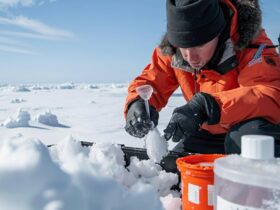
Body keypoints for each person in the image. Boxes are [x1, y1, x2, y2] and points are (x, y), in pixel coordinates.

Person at [124, 0, 280, 156]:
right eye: (183, 47)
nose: (190, 57)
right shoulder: (173, 48)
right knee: (175, 167)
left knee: (246, 139)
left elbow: (270, 94)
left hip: (254, 131)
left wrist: (209, 106)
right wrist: (137, 103)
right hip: (207, 132)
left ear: (219, 33)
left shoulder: (253, 44)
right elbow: (152, 81)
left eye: (199, 45)